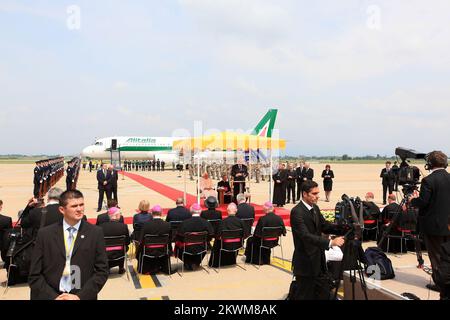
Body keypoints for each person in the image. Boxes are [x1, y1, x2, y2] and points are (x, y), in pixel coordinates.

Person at [28, 190, 108, 300]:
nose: (79, 209)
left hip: (80, 296)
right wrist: (54, 297)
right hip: (50, 296)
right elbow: (34, 274)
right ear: (62, 209)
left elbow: (102, 271)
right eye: (74, 206)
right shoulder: (45, 234)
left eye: (81, 204)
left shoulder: (95, 232)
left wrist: (79, 296)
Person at [290, 180, 345, 300]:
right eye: (314, 194)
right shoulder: (296, 212)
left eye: (318, 193)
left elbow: (324, 226)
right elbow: (305, 235)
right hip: (305, 262)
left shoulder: (315, 207)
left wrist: (343, 228)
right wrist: (330, 243)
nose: (317, 196)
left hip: (319, 260)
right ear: (304, 194)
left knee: (323, 292)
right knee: (305, 295)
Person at [410, 151, 450, 296]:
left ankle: (441, 285)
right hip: (448, 225)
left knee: (436, 257)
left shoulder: (429, 180)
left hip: (433, 227)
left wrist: (412, 200)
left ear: (430, 164)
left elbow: (423, 202)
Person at [209, 203, 249, 268]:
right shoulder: (241, 222)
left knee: (217, 242)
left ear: (227, 210)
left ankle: (215, 263)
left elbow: (217, 236)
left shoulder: (222, 222)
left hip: (224, 245)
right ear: (236, 210)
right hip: (237, 244)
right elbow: (246, 234)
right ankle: (231, 261)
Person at [175, 204, 214, 270]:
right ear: (200, 211)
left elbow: (179, 236)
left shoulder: (184, 223)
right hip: (202, 248)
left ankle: (188, 262)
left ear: (191, 211)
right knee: (205, 245)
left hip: (186, 248)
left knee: (177, 245)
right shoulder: (206, 222)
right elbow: (211, 234)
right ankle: (195, 263)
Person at [137, 205, 172, 274]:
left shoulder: (146, 225)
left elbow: (140, 240)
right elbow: (170, 239)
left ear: (152, 213)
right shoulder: (167, 225)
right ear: (161, 213)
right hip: (163, 250)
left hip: (148, 250)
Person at [100, 207, 130, 274]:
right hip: (119, 252)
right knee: (124, 247)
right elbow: (127, 242)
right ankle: (121, 268)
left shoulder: (101, 227)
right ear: (116, 216)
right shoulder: (123, 226)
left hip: (105, 252)